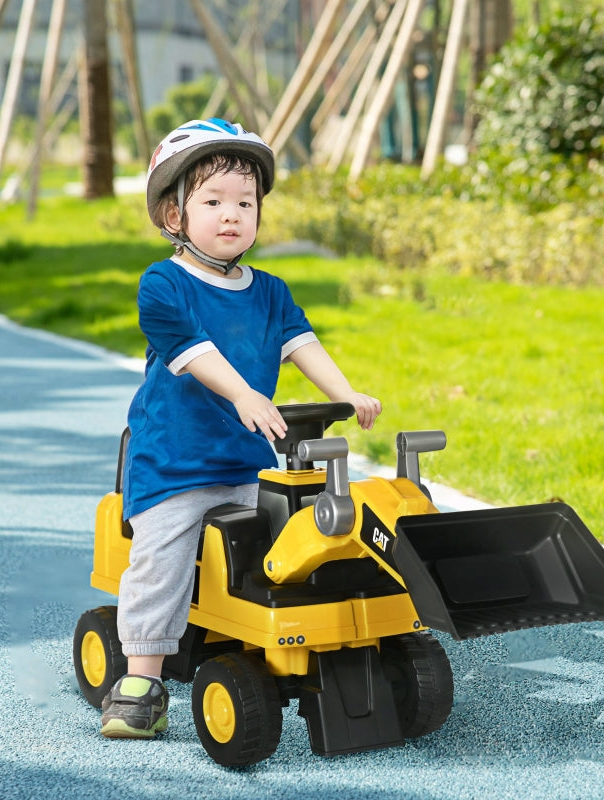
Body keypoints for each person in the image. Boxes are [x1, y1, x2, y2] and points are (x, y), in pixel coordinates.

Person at [99, 118, 382, 739]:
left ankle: (294, 636)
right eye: (213, 202)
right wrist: (245, 393)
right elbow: (195, 352)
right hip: (175, 466)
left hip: (247, 464)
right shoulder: (164, 285)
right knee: (164, 555)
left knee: (299, 540)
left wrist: (344, 393)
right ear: (173, 214)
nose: (232, 214)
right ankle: (141, 679)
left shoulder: (271, 292)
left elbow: (301, 343)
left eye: (245, 203)